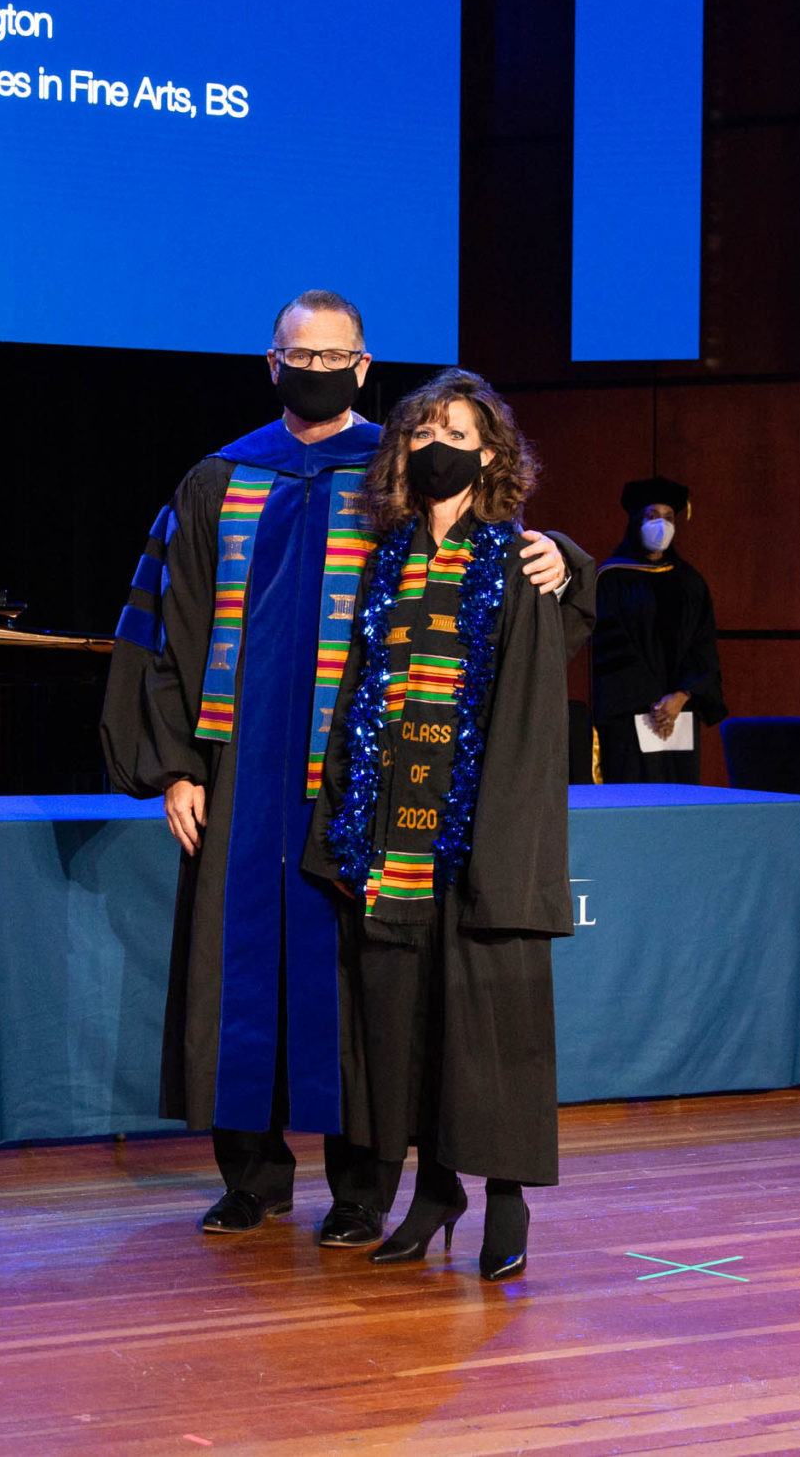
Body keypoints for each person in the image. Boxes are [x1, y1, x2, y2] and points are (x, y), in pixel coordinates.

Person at [103, 294, 572, 1251]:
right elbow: (168, 627)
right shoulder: (220, 479)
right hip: (238, 771)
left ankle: (362, 1189)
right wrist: (176, 766)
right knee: (235, 970)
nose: (315, 368)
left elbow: (487, 554)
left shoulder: (393, 473)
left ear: (363, 367)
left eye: (333, 355)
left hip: (360, 776)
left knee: (360, 983)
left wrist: (564, 557)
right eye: (298, 353)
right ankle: (251, 1177)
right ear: (271, 362)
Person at [304, 371, 594, 1282]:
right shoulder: (385, 560)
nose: (440, 446)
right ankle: (434, 1192)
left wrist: (569, 560)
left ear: (491, 453)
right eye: (426, 431)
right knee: (406, 1022)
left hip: (479, 837)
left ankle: (505, 1199)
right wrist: (343, 817)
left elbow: (570, 623)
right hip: (394, 829)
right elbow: (358, 695)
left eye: (459, 433)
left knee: (494, 1019)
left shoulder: (519, 559)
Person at [591, 477, 725, 784]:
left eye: (668, 517)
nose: (661, 525)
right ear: (636, 522)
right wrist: (656, 704)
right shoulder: (610, 580)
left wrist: (681, 696)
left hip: (680, 715)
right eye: (652, 516)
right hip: (629, 714)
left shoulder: (690, 582)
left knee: (679, 795)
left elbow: (703, 646)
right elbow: (611, 649)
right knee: (632, 794)